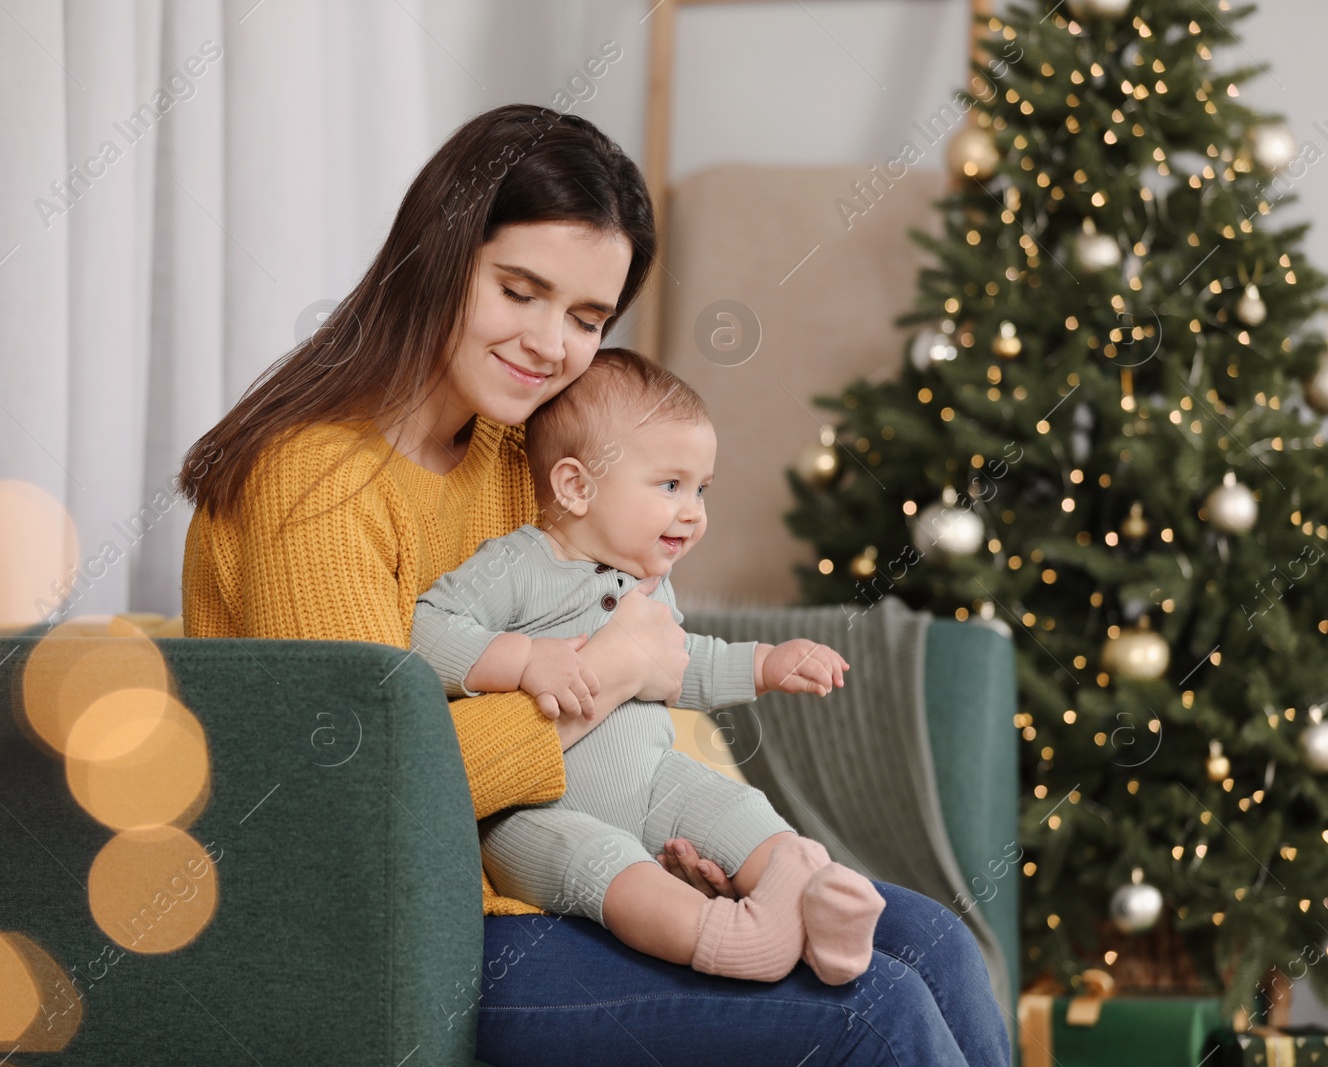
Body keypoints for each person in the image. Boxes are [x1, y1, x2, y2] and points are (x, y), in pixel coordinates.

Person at [177, 102, 1010, 1066]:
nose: (549, 344)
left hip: (550, 867)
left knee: (939, 946)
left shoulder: (516, 448)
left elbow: (595, 657)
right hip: (391, 930)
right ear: (441, 254)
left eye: (585, 317)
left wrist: (650, 845)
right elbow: (359, 794)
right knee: (876, 1013)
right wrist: (606, 677)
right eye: (519, 290)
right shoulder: (315, 484)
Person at [408, 347, 886, 986]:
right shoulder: (520, 565)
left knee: (729, 804)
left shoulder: (650, 584)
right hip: (535, 812)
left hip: (650, 783)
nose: (693, 511)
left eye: (701, 489)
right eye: (670, 485)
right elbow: (423, 631)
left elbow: (679, 669)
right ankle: (737, 940)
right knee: (604, 865)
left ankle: (810, 885)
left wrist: (767, 664)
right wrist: (522, 659)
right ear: (576, 486)